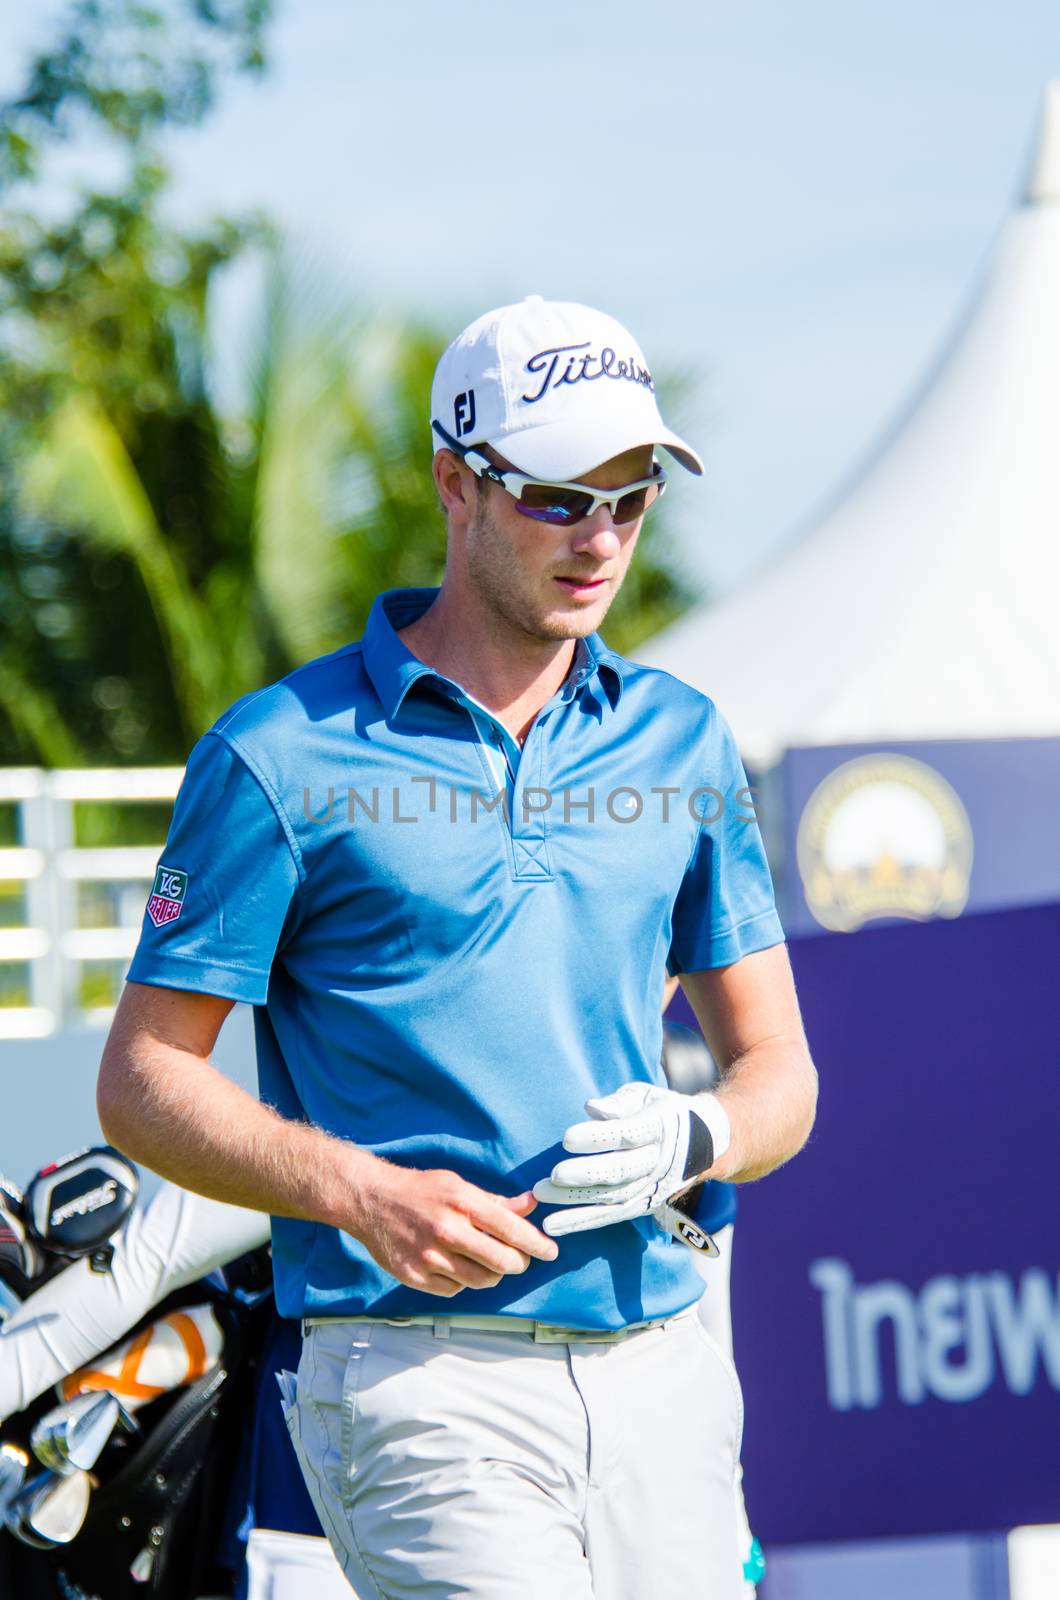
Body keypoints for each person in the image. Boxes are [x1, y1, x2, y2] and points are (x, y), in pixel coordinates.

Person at [97, 294, 818, 1600]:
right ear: (455, 484)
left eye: (631, 495)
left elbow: (779, 1069)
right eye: (559, 497)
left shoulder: (683, 740)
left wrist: (700, 1136)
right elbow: (145, 1079)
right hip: (414, 1376)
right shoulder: (278, 754)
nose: (601, 539)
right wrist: (361, 1194)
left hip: (661, 1360)